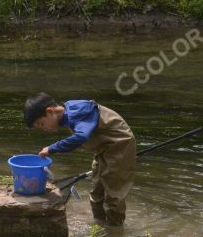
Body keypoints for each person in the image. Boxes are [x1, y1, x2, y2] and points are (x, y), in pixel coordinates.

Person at [24, 93, 137, 226]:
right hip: (103, 149)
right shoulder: (66, 113)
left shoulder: (78, 111)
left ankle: (115, 231)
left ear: (50, 111)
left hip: (119, 145)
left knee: (113, 194)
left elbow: (81, 137)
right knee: (96, 193)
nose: (44, 129)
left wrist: (52, 148)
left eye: (42, 124)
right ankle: (99, 227)